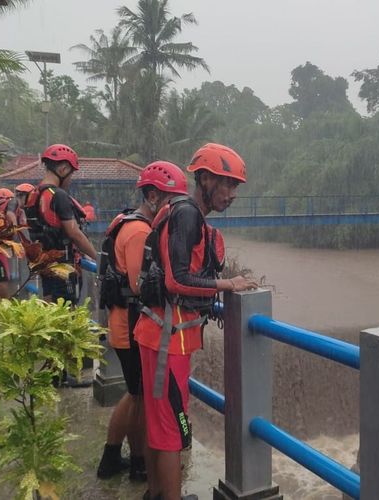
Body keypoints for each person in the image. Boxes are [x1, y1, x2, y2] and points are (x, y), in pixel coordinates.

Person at [134, 144, 257, 500]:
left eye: (236, 187)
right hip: (167, 341)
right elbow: (177, 280)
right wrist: (228, 284)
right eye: (226, 184)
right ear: (203, 179)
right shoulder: (186, 215)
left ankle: (156, 493)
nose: (232, 193)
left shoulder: (183, 213)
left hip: (161, 333)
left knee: (161, 426)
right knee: (173, 431)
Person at [96, 161, 188, 483]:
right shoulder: (139, 231)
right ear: (151, 196)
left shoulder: (128, 222)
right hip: (128, 326)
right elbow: (140, 286)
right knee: (136, 396)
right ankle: (112, 456)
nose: (174, 208)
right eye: (169, 200)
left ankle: (134, 461)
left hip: (124, 322)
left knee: (138, 396)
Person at [24, 143, 97, 304]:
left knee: (50, 308)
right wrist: (97, 257)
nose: (70, 179)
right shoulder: (58, 195)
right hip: (63, 268)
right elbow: (74, 233)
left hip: (46, 265)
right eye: (71, 174)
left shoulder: (34, 195)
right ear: (63, 169)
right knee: (66, 315)